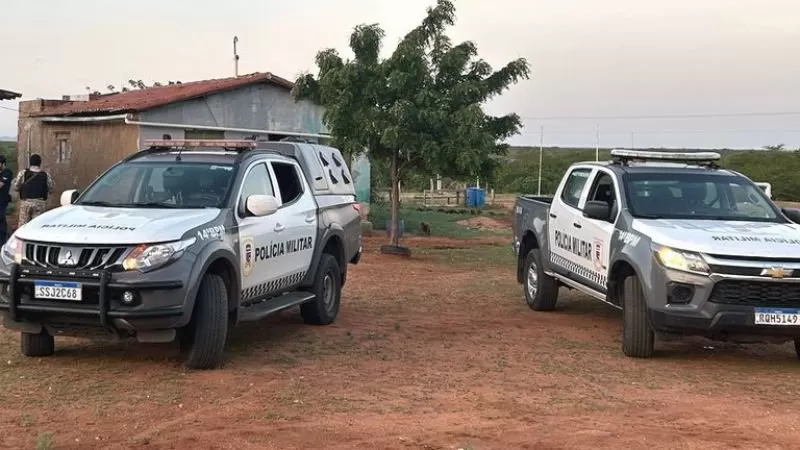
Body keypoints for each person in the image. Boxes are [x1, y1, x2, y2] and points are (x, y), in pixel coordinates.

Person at [13, 154, 54, 228]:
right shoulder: (45, 175)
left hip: (26, 202)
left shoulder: (23, 173)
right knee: (37, 227)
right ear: (40, 163)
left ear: (30, 163)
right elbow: (51, 189)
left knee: (23, 227)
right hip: (39, 203)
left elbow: (16, 187)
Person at [0, 155, 13, 243]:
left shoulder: (7, 172)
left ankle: (3, 241)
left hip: (2, 201)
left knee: (1, 221)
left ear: (2, 163)